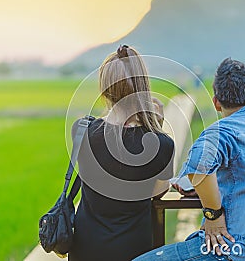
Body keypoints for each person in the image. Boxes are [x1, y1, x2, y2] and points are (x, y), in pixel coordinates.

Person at [134, 58, 245, 261]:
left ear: (216, 103)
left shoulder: (222, 131)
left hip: (231, 251)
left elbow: (198, 169)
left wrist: (213, 214)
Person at [68, 45, 175, 261]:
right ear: (143, 86)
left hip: (85, 248)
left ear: (104, 88)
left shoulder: (81, 131)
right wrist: (156, 127)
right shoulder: (163, 144)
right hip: (134, 250)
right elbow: (158, 192)